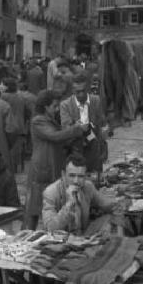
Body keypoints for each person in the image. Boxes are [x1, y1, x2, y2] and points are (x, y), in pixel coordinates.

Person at [26, 90, 87, 230]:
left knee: (48, 203)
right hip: (42, 168)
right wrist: (76, 129)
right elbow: (55, 136)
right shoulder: (38, 121)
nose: (57, 108)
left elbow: (60, 139)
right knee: (34, 210)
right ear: (45, 106)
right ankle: (26, 238)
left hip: (50, 165)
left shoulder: (49, 120)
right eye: (54, 105)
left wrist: (74, 131)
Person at [42, 154, 118, 234]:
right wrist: (69, 204)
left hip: (83, 236)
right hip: (60, 241)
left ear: (85, 176)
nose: (76, 181)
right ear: (63, 174)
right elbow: (50, 228)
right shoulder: (51, 192)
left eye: (80, 176)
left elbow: (104, 203)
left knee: (111, 220)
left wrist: (116, 204)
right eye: (72, 175)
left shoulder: (88, 186)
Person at [60, 72, 108, 172]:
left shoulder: (96, 101)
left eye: (83, 91)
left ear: (87, 89)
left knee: (96, 180)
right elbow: (66, 129)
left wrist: (104, 144)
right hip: (75, 151)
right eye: (77, 92)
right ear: (72, 90)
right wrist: (78, 127)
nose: (81, 94)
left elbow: (102, 123)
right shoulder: (65, 105)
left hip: (94, 149)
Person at [1, 78, 31, 173]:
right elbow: (27, 113)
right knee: (16, 150)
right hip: (20, 126)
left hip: (7, 126)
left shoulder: (3, 97)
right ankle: (15, 168)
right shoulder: (21, 97)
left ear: (6, 86)